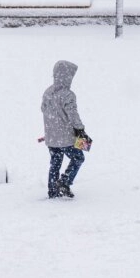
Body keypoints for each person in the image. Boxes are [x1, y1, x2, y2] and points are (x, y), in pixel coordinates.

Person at [41, 60, 91, 199]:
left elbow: (43, 110)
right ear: (66, 76)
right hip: (66, 138)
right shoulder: (68, 95)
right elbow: (73, 115)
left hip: (51, 137)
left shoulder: (48, 92)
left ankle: (53, 190)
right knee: (78, 158)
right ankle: (64, 182)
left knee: (55, 163)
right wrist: (80, 130)